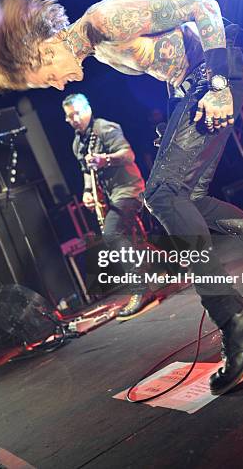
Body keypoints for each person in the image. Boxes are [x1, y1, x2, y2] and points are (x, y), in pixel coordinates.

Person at [0, 0, 243, 395]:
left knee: (162, 196)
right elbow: (172, 55)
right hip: (190, 91)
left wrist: (218, 86)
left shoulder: (107, 19)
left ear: (44, 48)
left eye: (47, 77)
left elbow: (204, 8)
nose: (57, 85)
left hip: (211, 82)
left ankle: (235, 319)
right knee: (185, 200)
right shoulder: (102, 50)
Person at [62, 92, 157, 320]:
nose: (74, 119)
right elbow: (87, 171)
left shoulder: (104, 128)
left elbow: (128, 155)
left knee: (112, 233)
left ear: (88, 110)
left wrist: (106, 159)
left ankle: (140, 290)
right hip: (111, 196)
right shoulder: (78, 143)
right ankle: (182, 260)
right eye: (70, 116)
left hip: (130, 189)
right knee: (136, 241)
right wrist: (87, 193)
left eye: (77, 113)